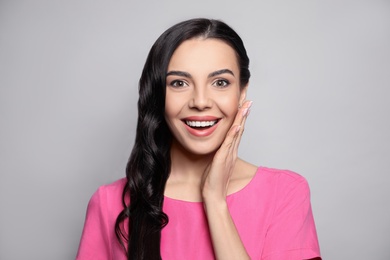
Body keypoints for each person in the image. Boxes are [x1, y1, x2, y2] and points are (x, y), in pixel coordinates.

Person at [76, 18, 321, 260]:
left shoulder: (285, 193)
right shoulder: (110, 203)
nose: (201, 102)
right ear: (159, 94)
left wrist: (215, 201)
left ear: (242, 91)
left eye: (220, 82)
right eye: (179, 83)